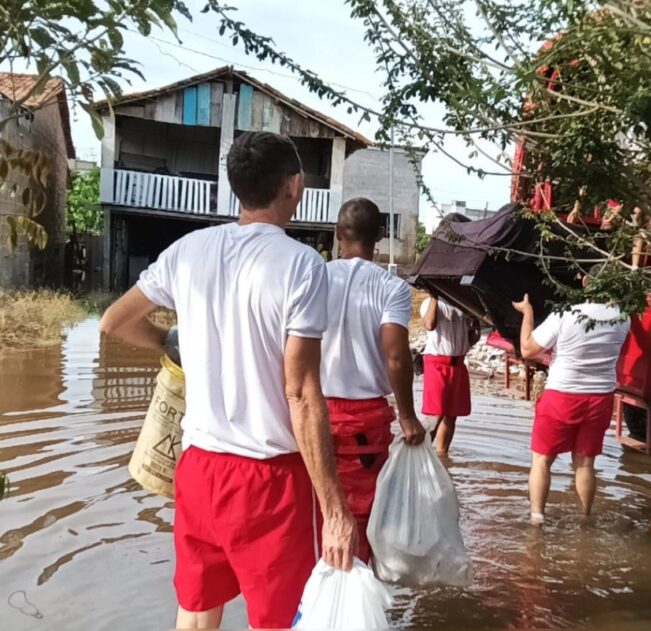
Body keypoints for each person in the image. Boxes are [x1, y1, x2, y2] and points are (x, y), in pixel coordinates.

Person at [99, 131, 357, 630]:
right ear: (294, 186)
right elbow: (301, 393)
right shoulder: (302, 265)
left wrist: (169, 343)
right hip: (268, 481)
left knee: (196, 616)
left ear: (236, 188)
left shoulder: (188, 251)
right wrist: (336, 510)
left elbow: (114, 321)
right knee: (277, 621)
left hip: (197, 470)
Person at [320, 197, 426, 563]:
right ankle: (358, 603)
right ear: (380, 237)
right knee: (362, 514)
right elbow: (396, 356)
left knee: (315, 508)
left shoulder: (314, 278)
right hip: (363, 422)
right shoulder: (391, 288)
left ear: (337, 234)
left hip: (311, 412)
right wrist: (407, 415)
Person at [511, 282, 630, 525]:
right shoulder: (623, 317)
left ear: (586, 284)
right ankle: (585, 518)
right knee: (585, 463)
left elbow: (527, 349)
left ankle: (537, 519)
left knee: (542, 460)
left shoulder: (566, 314)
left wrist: (528, 313)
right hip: (600, 398)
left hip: (562, 395)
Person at [420, 294, 479, 456]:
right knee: (436, 414)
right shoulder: (429, 303)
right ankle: (421, 453)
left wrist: (476, 326)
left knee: (451, 415)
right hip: (437, 363)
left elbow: (471, 338)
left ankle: (441, 455)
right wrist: (434, 296)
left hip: (458, 364)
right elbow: (429, 324)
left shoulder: (463, 305)